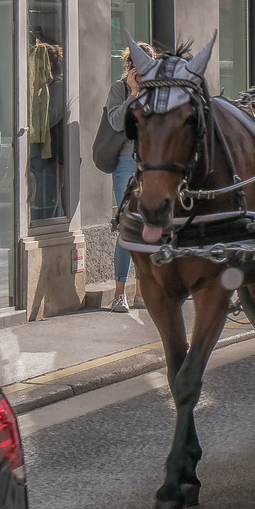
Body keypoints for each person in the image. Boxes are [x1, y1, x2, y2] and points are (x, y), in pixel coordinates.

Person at [103, 42, 154, 312]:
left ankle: (144, 290)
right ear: (130, 66)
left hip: (154, 165)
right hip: (126, 163)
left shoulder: (160, 89)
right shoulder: (120, 88)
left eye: (148, 61)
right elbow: (115, 122)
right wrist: (133, 93)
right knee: (128, 227)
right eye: (138, 62)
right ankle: (120, 293)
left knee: (152, 227)